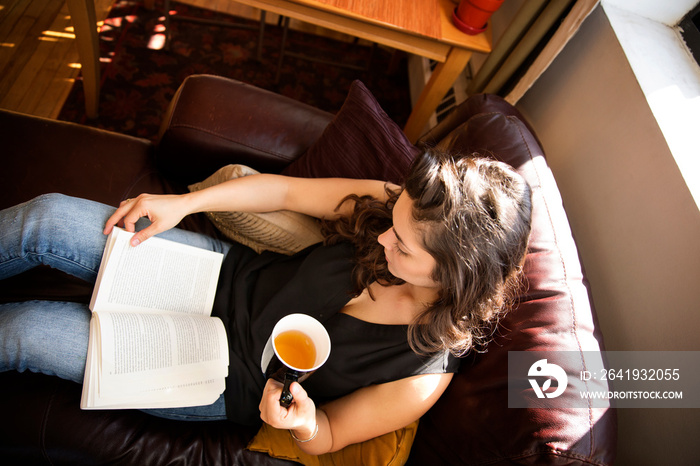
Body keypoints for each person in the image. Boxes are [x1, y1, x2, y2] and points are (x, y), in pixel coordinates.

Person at [0, 148, 532, 455]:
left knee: (22, 334)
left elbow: (329, 434)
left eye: (403, 246)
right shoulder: (402, 206)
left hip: (217, 377)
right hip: (216, 277)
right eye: (391, 226)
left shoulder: (423, 375)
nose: (384, 239)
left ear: (453, 275)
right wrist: (184, 205)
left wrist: (301, 422)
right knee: (46, 217)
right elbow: (285, 194)